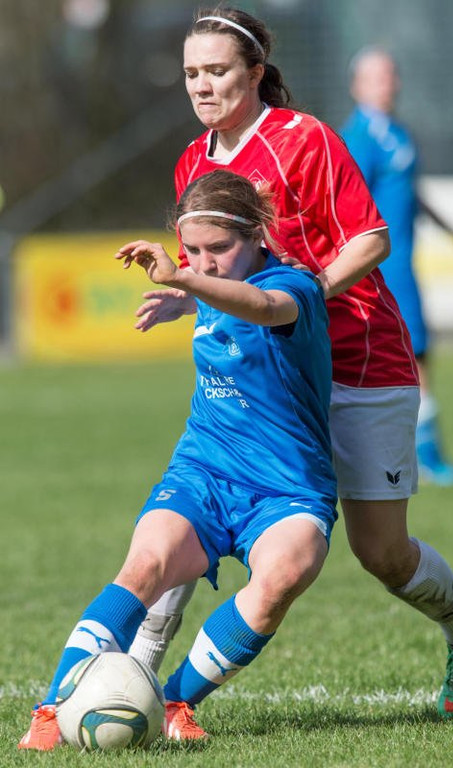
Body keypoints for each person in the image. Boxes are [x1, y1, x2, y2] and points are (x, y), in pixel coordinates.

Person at [126, 8, 453, 725]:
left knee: (382, 554)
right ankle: (140, 673)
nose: (201, 85)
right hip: (268, 380)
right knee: (197, 508)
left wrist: (301, 300)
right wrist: (189, 297)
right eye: (192, 73)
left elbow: (372, 239)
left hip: (360, 360)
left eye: (217, 71)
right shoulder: (193, 162)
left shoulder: (307, 140)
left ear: (255, 73)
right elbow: (218, 268)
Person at [18, 169, 338, 750]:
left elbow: (262, 307)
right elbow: (220, 295)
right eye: (192, 249)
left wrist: (187, 281)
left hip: (287, 487)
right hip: (204, 472)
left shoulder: (294, 288)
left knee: (285, 575)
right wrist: (186, 300)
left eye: (220, 248)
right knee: (145, 565)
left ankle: (175, 701)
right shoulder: (209, 285)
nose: (205, 263)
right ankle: (53, 709)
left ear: (258, 236)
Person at [341, 47, 453, 486]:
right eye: (379, 77)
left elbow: (411, 196)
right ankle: (428, 458)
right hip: (382, 271)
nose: (390, 84)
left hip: (405, 266)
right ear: (357, 86)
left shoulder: (397, 133)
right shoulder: (360, 138)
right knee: (412, 361)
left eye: (392, 75)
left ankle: (416, 456)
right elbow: (346, 204)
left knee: (418, 358)